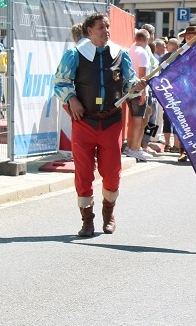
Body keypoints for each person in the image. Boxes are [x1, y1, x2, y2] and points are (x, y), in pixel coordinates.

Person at [52, 13, 139, 237]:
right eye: (101, 27)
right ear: (89, 31)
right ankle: (87, 220)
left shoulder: (120, 54)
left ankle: (109, 213)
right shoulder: (74, 55)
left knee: (111, 173)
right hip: (84, 122)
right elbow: (60, 81)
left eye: (107, 26)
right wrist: (72, 99)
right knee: (83, 173)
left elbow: (130, 82)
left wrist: (138, 87)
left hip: (111, 121)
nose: (106, 30)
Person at [125, 29, 153, 161]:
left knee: (133, 121)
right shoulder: (143, 53)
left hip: (130, 90)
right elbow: (143, 75)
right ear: (147, 40)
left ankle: (132, 146)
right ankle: (134, 148)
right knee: (139, 121)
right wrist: (144, 92)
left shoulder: (130, 50)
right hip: (138, 91)